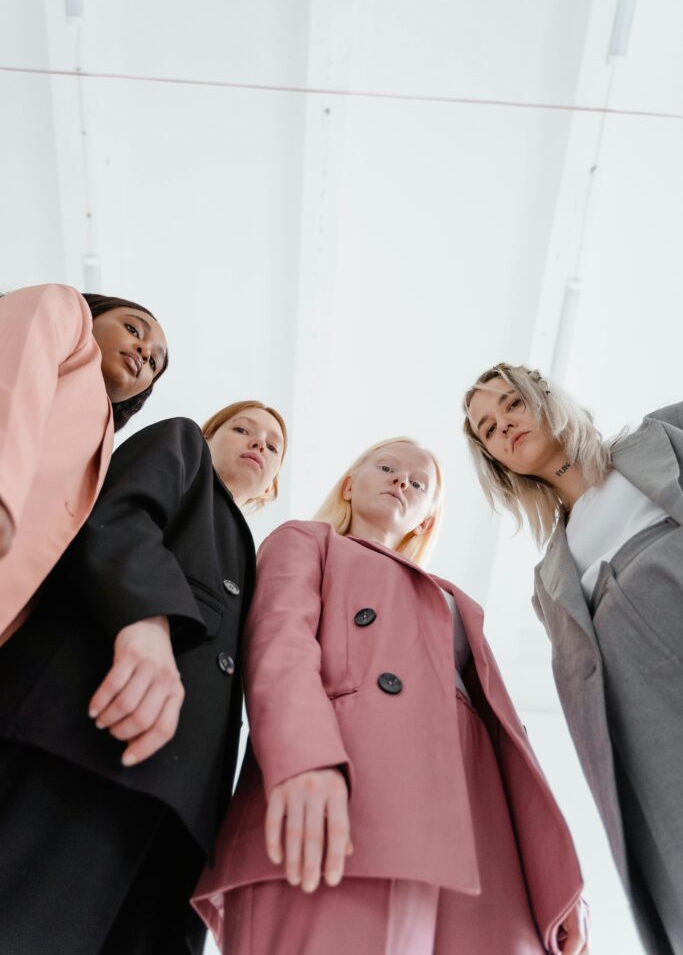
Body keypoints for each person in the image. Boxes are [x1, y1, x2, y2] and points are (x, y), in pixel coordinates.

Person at [193, 437, 588, 955]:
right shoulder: (307, 540)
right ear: (350, 485)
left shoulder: (452, 599)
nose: (402, 480)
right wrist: (303, 760)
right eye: (386, 466)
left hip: (475, 819)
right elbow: (278, 644)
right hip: (348, 784)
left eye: (419, 482)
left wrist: (556, 881)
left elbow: (513, 737)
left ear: (425, 520)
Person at [0, 400, 287, 955]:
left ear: (273, 485)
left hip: (175, 819)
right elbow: (117, 514)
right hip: (82, 744)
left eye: (274, 445)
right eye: (243, 428)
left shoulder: (257, 559)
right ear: (211, 434)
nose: (258, 442)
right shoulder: (183, 448)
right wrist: (145, 622)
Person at [463, 363, 683, 955]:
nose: (503, 426)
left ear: (546, 397)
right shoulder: (550, 580)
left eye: (511, 405)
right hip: (655, 728)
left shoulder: (662, 438)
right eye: (487, 428)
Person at [0, 283, 168, 643]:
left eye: (154, 362)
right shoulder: (66, 309)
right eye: (133, 329)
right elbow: (12, 379)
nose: (143, 350)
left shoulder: (105, 444)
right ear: (95, 313)